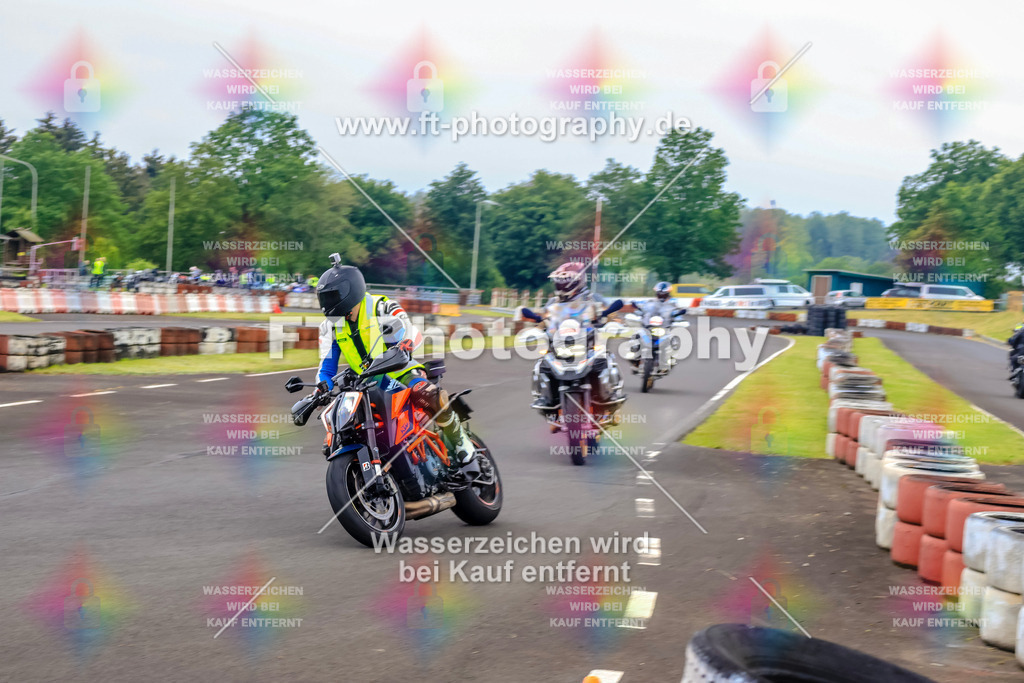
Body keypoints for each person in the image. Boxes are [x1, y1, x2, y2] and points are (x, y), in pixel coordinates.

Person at [314, 254, 477, 465]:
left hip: (401, 371)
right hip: (363, 384)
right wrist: (320, 389)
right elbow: (326, 368)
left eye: (332, 296)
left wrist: (405, 344)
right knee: (341, 430)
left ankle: (460, 441)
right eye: (324, 297)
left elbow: (407, 329)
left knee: (426, 394)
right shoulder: (330, 327)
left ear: (350, 290)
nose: (327, 303)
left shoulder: (381, 307)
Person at [521, 261, 625, 410]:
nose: (561, 285)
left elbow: (609, 314)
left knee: (604, 359)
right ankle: (545, 397)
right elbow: (545, 321)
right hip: (559, 343)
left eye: (565, 281)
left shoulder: (593, 298)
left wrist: (608, 321)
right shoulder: (552, 303)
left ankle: (610, 392)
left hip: (587, 342)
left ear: (576, 281)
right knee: (541, 364)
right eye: (559, 281)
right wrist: (537, 329)